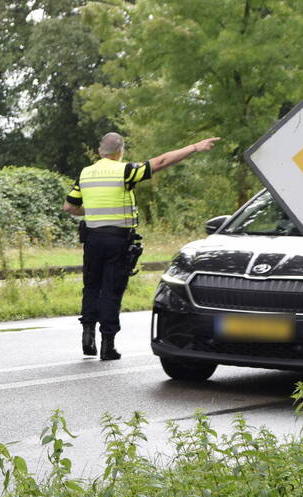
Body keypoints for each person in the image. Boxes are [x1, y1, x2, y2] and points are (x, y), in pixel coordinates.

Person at [63, 132, 220, 360]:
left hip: (92, 240)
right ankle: (108, 345)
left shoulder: (85, 173)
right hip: (118, 240)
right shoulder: (125, 170)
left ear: (99, 152)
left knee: (91, 286)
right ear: (121, 152)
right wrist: (194, 147)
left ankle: (87, 336)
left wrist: (93, 211)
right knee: (111, 290)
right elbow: (161, 162)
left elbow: (69, 207)